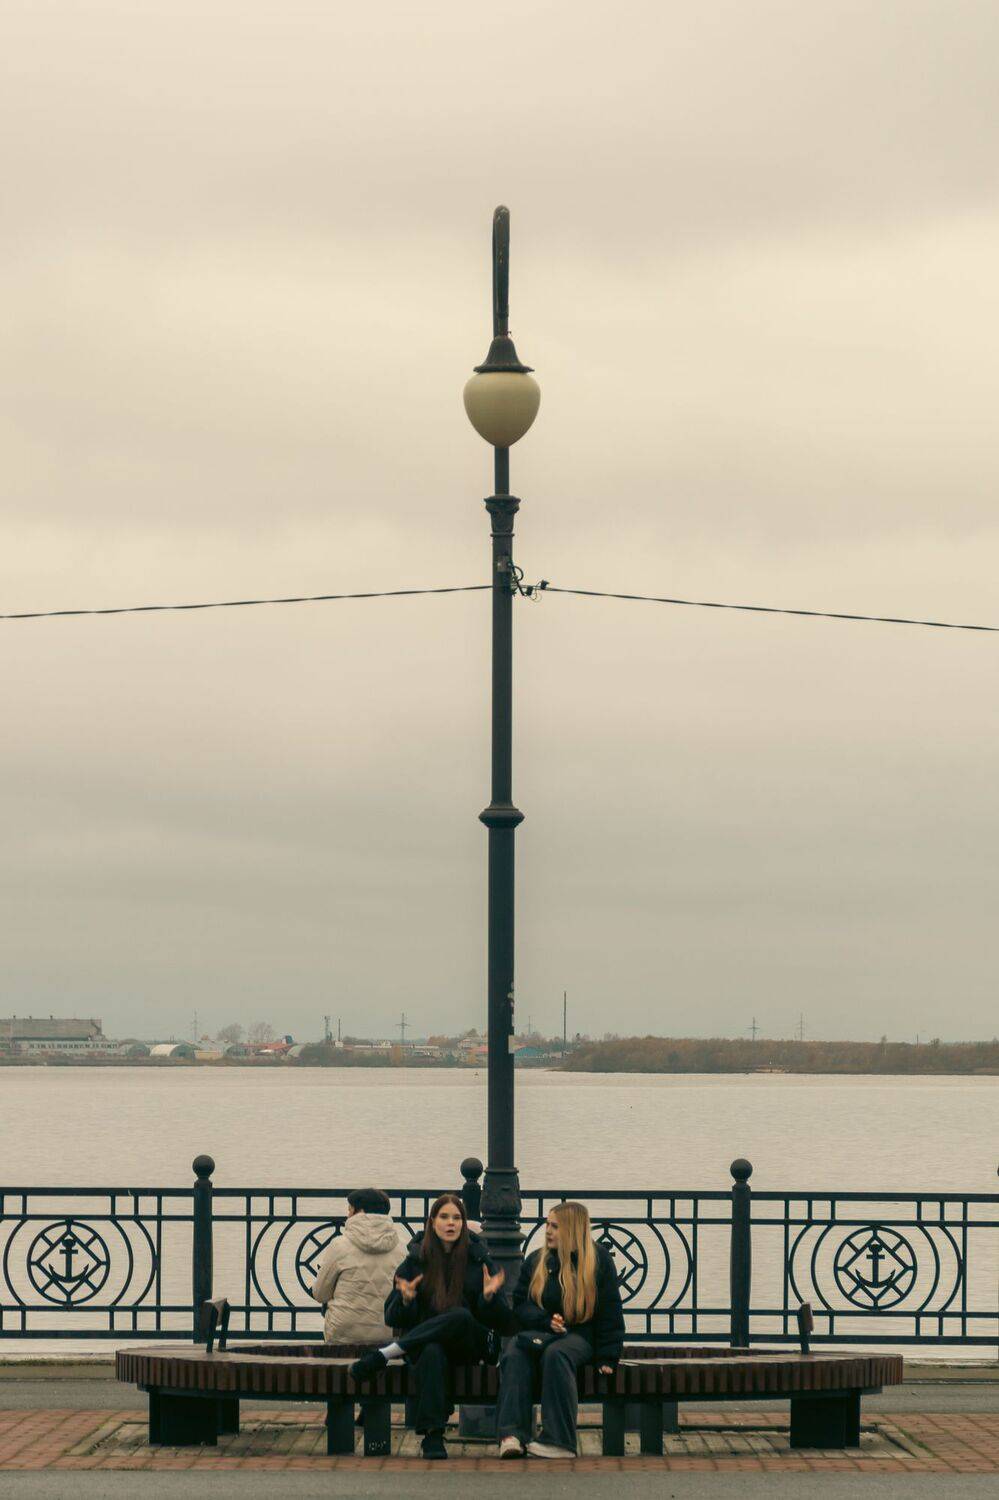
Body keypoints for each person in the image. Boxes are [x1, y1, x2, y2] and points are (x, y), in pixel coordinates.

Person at [349, 1192, 513, 1460]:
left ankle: (385, 1354)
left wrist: (488, 1298)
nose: (451, 1223)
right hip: (427, 1348)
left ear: (463, 1224)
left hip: (470, 1347)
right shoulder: (415, 1261)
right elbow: (391, 1316)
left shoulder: (479, 1260)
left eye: (457, 1218)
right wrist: (406, 1300)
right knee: (433, 1351)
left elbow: (503, 1321)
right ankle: (433, 1436)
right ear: (432, 1222)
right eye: (444, 1217)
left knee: (460, 1316)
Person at [497, 1200, 624, 1459]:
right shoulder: (537, 1260)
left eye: (555, 1226)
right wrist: (545, 1320)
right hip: (540, 1333)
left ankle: (560, 1441)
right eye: (547, 1225)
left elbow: (610, 1311)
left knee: (556, 1354)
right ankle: (512, 1436)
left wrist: (608, 1356)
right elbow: (520, 1305)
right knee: (514, 1354)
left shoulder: (598, 1260)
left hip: (580, 1336)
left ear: (572, 1229)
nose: (548, 1231)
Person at [309, 1187, 404, 1345]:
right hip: (389, 1336)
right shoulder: (402, 1247)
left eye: (349, 1210)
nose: (347, 1215)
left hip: (344, 1337)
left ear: (359, 1212)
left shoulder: (339, 1246)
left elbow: (320, 1294)